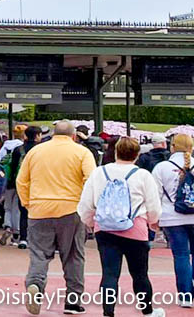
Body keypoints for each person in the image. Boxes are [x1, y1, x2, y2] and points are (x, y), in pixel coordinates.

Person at [78, 137, 165, 317]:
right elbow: (154, 206)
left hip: (105, 229)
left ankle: (108, 311)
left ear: (116, 151)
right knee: (140, 273)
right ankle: (147, 310)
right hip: (135, 228)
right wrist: (153, 222)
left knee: (109, 273)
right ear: (137, 154)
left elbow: (86, 203)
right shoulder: (143, 175)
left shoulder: (99, 173)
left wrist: (91, 222)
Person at [16, 120, 96, 316]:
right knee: (74, 256)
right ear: (74, 136)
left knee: (39, 254)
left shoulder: (35, 152)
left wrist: (28, 203)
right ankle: (73, 301)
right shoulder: (82, 152)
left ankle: (35, 284)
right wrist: (88, 207)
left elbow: (21, 180)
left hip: (39, 209)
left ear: (52, 134)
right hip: (71, 209)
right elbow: (91, 180)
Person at [151, 133, 194, 308]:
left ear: (172, 146)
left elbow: (155, 195)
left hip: (171, 217)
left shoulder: (162, 167)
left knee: (181, 255)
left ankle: (185, 295)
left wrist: (154, 218)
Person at [8, 126, 42, 249]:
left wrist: (11, 181)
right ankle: (35, 238)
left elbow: (13, 167)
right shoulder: (41, 149)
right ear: (37, 135)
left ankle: (23, 238)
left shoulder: (19, 149)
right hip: (38, 183)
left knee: (23, 211)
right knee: (38, 212)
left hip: (22, 183)